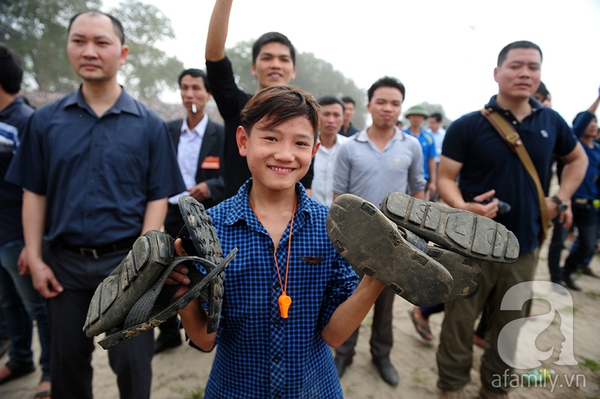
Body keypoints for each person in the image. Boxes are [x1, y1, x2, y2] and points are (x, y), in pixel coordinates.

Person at [6, 11, 185, 399]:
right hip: (63, 268)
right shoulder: (45, 122)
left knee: (133, 366)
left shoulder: (150, 125)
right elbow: (34, 192)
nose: (89, 51)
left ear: (122, 52)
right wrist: (35, 258)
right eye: (78, 40)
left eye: (101, 42)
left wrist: (144, 265)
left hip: (127, 264)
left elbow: (158, 197)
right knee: (67, 367)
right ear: (69, 47)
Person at [170, 85, 387, 398]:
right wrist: (183, 296)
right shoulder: (210, 228)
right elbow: (205, 340)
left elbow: (334, 335)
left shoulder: (333, 229)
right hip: (235, 388)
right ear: (244, 141)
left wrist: (379, 275)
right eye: (270, 138)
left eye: (300, 142)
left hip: (314, 388)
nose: (285, 154)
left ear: (313, 150)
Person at [436, 40, 586, 398]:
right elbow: (445, 178)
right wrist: (463, 206)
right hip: (471, 245)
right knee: (458, 322)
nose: (525, 73)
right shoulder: (468, 126)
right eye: (516, 65)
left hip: (524, 247)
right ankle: (452, 386)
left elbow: (576, 160)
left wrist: (560, 199)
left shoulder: (553, 122)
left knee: (512, 325)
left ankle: (494, 389)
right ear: (497, 73)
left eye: (533, 67)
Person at [332, 76, 426, 386]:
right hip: (354, 243)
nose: (388, 108)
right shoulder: (349, 148)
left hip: (395, 244)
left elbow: (418, 194)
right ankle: (343, 354)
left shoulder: (411, 146)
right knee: (349, 299)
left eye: (395, 103)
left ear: (401, 108)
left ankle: (381, 355)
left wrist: (415, 239)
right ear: (369, 104)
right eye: (382, 102)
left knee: (385, 305)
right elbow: (338, 198)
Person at [205, 0, 312, 199]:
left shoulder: (305, 119)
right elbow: (214, 57)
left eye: (283, 59)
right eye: (267, 58)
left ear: (293, 70)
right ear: (253, 68)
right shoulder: (236, 105)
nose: (275, 65)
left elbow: (305, 186)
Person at [156, 68, 225, 353]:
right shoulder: (168, 130)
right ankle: (168, 331)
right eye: (184, 88)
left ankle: (206, 328)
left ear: (208, 94)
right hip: (170, 212)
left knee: (204, 269)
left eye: (196, 88)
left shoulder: (220, 133)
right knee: (167, 270)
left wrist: (210, 187)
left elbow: (230, 176)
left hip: (205, 214)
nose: (189, 94)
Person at [0, 44, 51, 399]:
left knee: (39, 307)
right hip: (1, 235)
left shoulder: (26, 121)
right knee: (8, 304)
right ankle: (19, 358)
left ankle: (51, 371)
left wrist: (33, 246)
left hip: (19, 236)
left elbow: (39, 187)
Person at [560, 88, 600, 291]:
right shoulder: (574, 144)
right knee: (557, 242)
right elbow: (581, 123)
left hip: (590, 204)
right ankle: (556, 274)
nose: (593, 125)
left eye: (596, 122)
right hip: (570, 202)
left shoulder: (598, 150)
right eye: (590, 122)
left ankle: (567, 271)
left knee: (588, 244)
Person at [311, 96, 348, 206]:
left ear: (343, 118)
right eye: (326, 114)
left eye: (336, 115)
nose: (331, 120)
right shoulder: (306, 146)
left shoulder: (349, 147)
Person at [403, 105, 437, 199]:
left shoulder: (429, 137)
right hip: (404, 176)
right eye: (413, 115)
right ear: (409, 117)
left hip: (423, 177)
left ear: (423, 118)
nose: (416, 118)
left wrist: (433, 182)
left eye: (419, 116)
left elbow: (431, 159)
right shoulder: (401, 135)